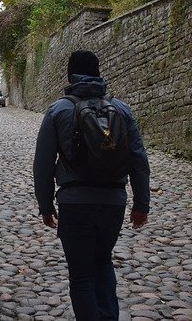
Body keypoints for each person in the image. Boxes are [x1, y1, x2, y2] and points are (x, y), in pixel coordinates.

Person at [33, 50, 151, 320]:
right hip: (113, 203)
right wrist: (141, 204)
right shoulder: (120, 109)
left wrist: (45, 205)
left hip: (74, 204)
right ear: (98, 72)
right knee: (103, 262)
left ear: (70, 74)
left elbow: (42, 163)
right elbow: (138, 158)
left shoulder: (58, 110)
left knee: (82, 275)